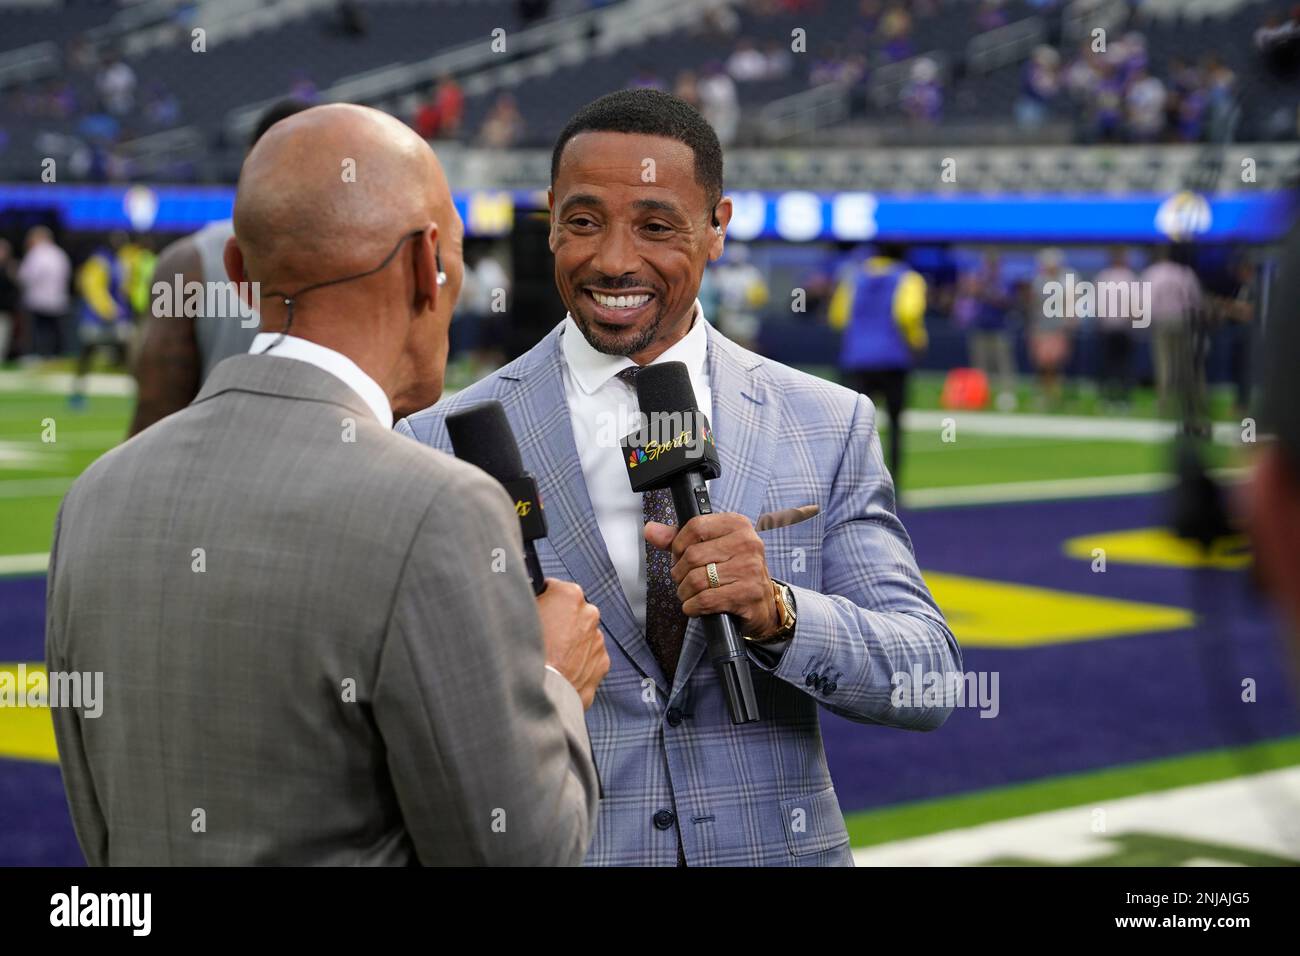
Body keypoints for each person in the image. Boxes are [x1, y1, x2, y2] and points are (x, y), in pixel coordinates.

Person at [397, 90, 960, 867]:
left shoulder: (828, 422)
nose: (615, 259)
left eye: (657, 226)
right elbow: (403, 721)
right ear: (551, 217)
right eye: (585, 221)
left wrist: (778, 613)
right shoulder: (438, 438)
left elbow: (925, 677)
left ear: (717, 227)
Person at [46, 104, 607, 866]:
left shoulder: (98, 495)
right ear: (425, 265)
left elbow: (98, 821)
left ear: (239, 276)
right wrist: (553, 685)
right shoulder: (440, 508)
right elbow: (523, 854)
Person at [127, 99, 310, 437]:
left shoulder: (188, 262)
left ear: (249, 162)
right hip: (327, 475)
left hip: (213, 470)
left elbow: (155, 407)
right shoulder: (372, 255)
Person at [830, 241, 928, 487]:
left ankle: (848, 485)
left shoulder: (854, 276)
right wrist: (917, 340)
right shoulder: (908, 278)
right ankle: (894, 484)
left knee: (851, 428)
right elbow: (908, 313)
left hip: (856, 360)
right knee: (894, 423)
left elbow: (838, 317)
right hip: (892, 359)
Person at [70, 231, 133, 408]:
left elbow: (122, 289)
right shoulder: (99, 261)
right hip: (96, 319)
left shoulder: (119, 261)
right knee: (87, 356)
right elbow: (93, 288)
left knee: (127, 355)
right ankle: (77, 394)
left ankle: (135, 393)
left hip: (116, 318)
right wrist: (109, 309)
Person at [1142, 244, 1204, 419]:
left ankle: (1164, 403)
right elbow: (1196, 302)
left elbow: (1145, 302)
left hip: (1162, 321)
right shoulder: (1185, 273)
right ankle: (1191, 403)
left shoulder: (1153, 272)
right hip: (1183, 321)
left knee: (1164, 364)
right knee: (1187, 365)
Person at [1094, 246, 1138, 411]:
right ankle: (1116, 398)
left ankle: (1114, 398)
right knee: (1116, 365)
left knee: (1115, 365)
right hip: (1117, 327)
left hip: (1113, 327)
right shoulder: (1127, 277)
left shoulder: (1105, 277)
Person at [17, 226, 71, 358]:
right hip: (58, 299)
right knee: (55, 331)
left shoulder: (36, 254)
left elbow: (25, 277)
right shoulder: (60, 253)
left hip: (38, 300)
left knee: (38, 332)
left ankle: (38, 354)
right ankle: (56, 355)